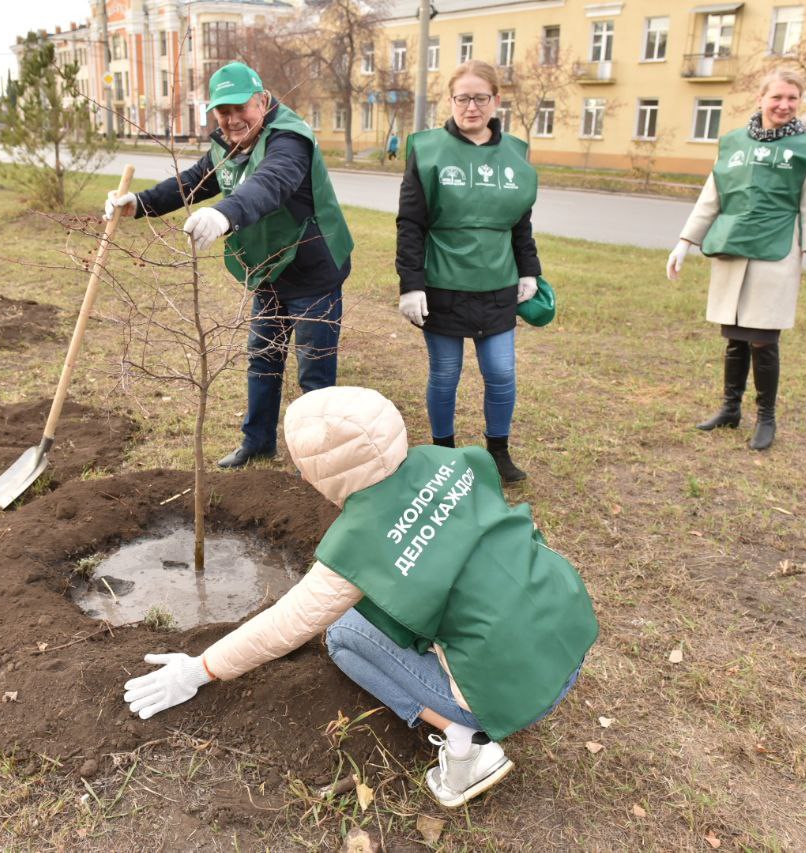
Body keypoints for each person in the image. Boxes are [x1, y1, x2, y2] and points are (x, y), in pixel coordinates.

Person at [123, 386, 598, 809]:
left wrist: (200, 668)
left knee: (344, 633)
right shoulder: (456, 461)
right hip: (569, 643)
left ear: (316, 472)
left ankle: (466, 743)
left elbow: (285, 624)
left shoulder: (360, 545)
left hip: (510, 695)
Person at [105, 61, 354, 468]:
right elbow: (194, 180)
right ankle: (257, 443)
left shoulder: (289, 139)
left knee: (314, 370)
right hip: (268, 267)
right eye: (223, 112)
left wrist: (225, 214)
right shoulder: (227, 143)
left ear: (263, 101)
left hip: (312, 267)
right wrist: (139, 204)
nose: (233, 119)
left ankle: (320, 458)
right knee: (263, 356)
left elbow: (271, 182)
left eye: (241, 108)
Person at [666, 69, 806, 451]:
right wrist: (685, 241)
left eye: (792, 98)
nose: (784, 105)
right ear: (760, 99)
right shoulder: (733, 144)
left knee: (763, 338)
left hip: (775, 253)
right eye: (777, 97)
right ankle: (730, 409)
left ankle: (766, 418)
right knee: (734, 336)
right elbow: (712, 196)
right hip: (733, 250)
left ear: (799, 103)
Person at [395, 60, 542, 483]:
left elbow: (521, 224)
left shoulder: (515, 153)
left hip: (498, 286)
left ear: (496, 100)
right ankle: (444, 452)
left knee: (500, 371)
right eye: (463, 98)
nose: (471, 107)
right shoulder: (427, 149)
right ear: (451, 100)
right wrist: (411, 285)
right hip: (443, 285)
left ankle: (498, 452)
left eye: (481, 98)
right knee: (445, 372)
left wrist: (529, 271)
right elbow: (410, 224)